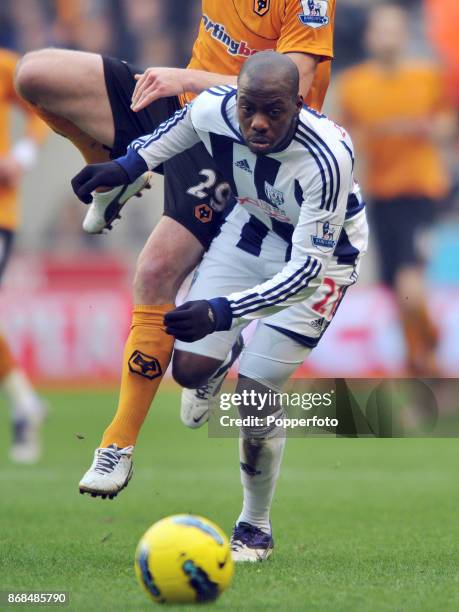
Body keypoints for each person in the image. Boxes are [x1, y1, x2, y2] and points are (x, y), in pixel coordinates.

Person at [15, 0, 336, 494]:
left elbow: (289, 86)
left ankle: (116, 445)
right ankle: (113, 176)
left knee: (155, 270)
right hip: (186, 113)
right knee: (35, 75)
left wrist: (186, 80)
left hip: (244, 142)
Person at [72, 51, 368, 560]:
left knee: (254, 394)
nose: (257, 122)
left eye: (273, 111)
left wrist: (222, 312)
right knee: (188, 369)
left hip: (321, 260)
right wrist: (122, 166)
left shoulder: (329, 155)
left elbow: (304, 273)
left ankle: (255, 524)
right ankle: (219, 358)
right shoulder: (218, 106)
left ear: (298, 105)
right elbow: (175, 133)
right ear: (237, 98)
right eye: (250, 107)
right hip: (250, 230)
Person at [336, 3, 456, 376]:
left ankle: (429, 345)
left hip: (421, 192)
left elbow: (447, 122)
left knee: (410, 285)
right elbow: (344, 139)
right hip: (380, 198)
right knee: (397, 293)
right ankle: (422, 366)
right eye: (381, 30)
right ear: (370, 38)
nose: (387, 38)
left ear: (405, 36)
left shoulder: (427, 77)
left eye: (394, 30)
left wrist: (435, 130)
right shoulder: (354, 86)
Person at [0, 48, 48, 463]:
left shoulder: (3, 65)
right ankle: (25, 403)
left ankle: (25, 404)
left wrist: (22, 154)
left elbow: (39, 102)